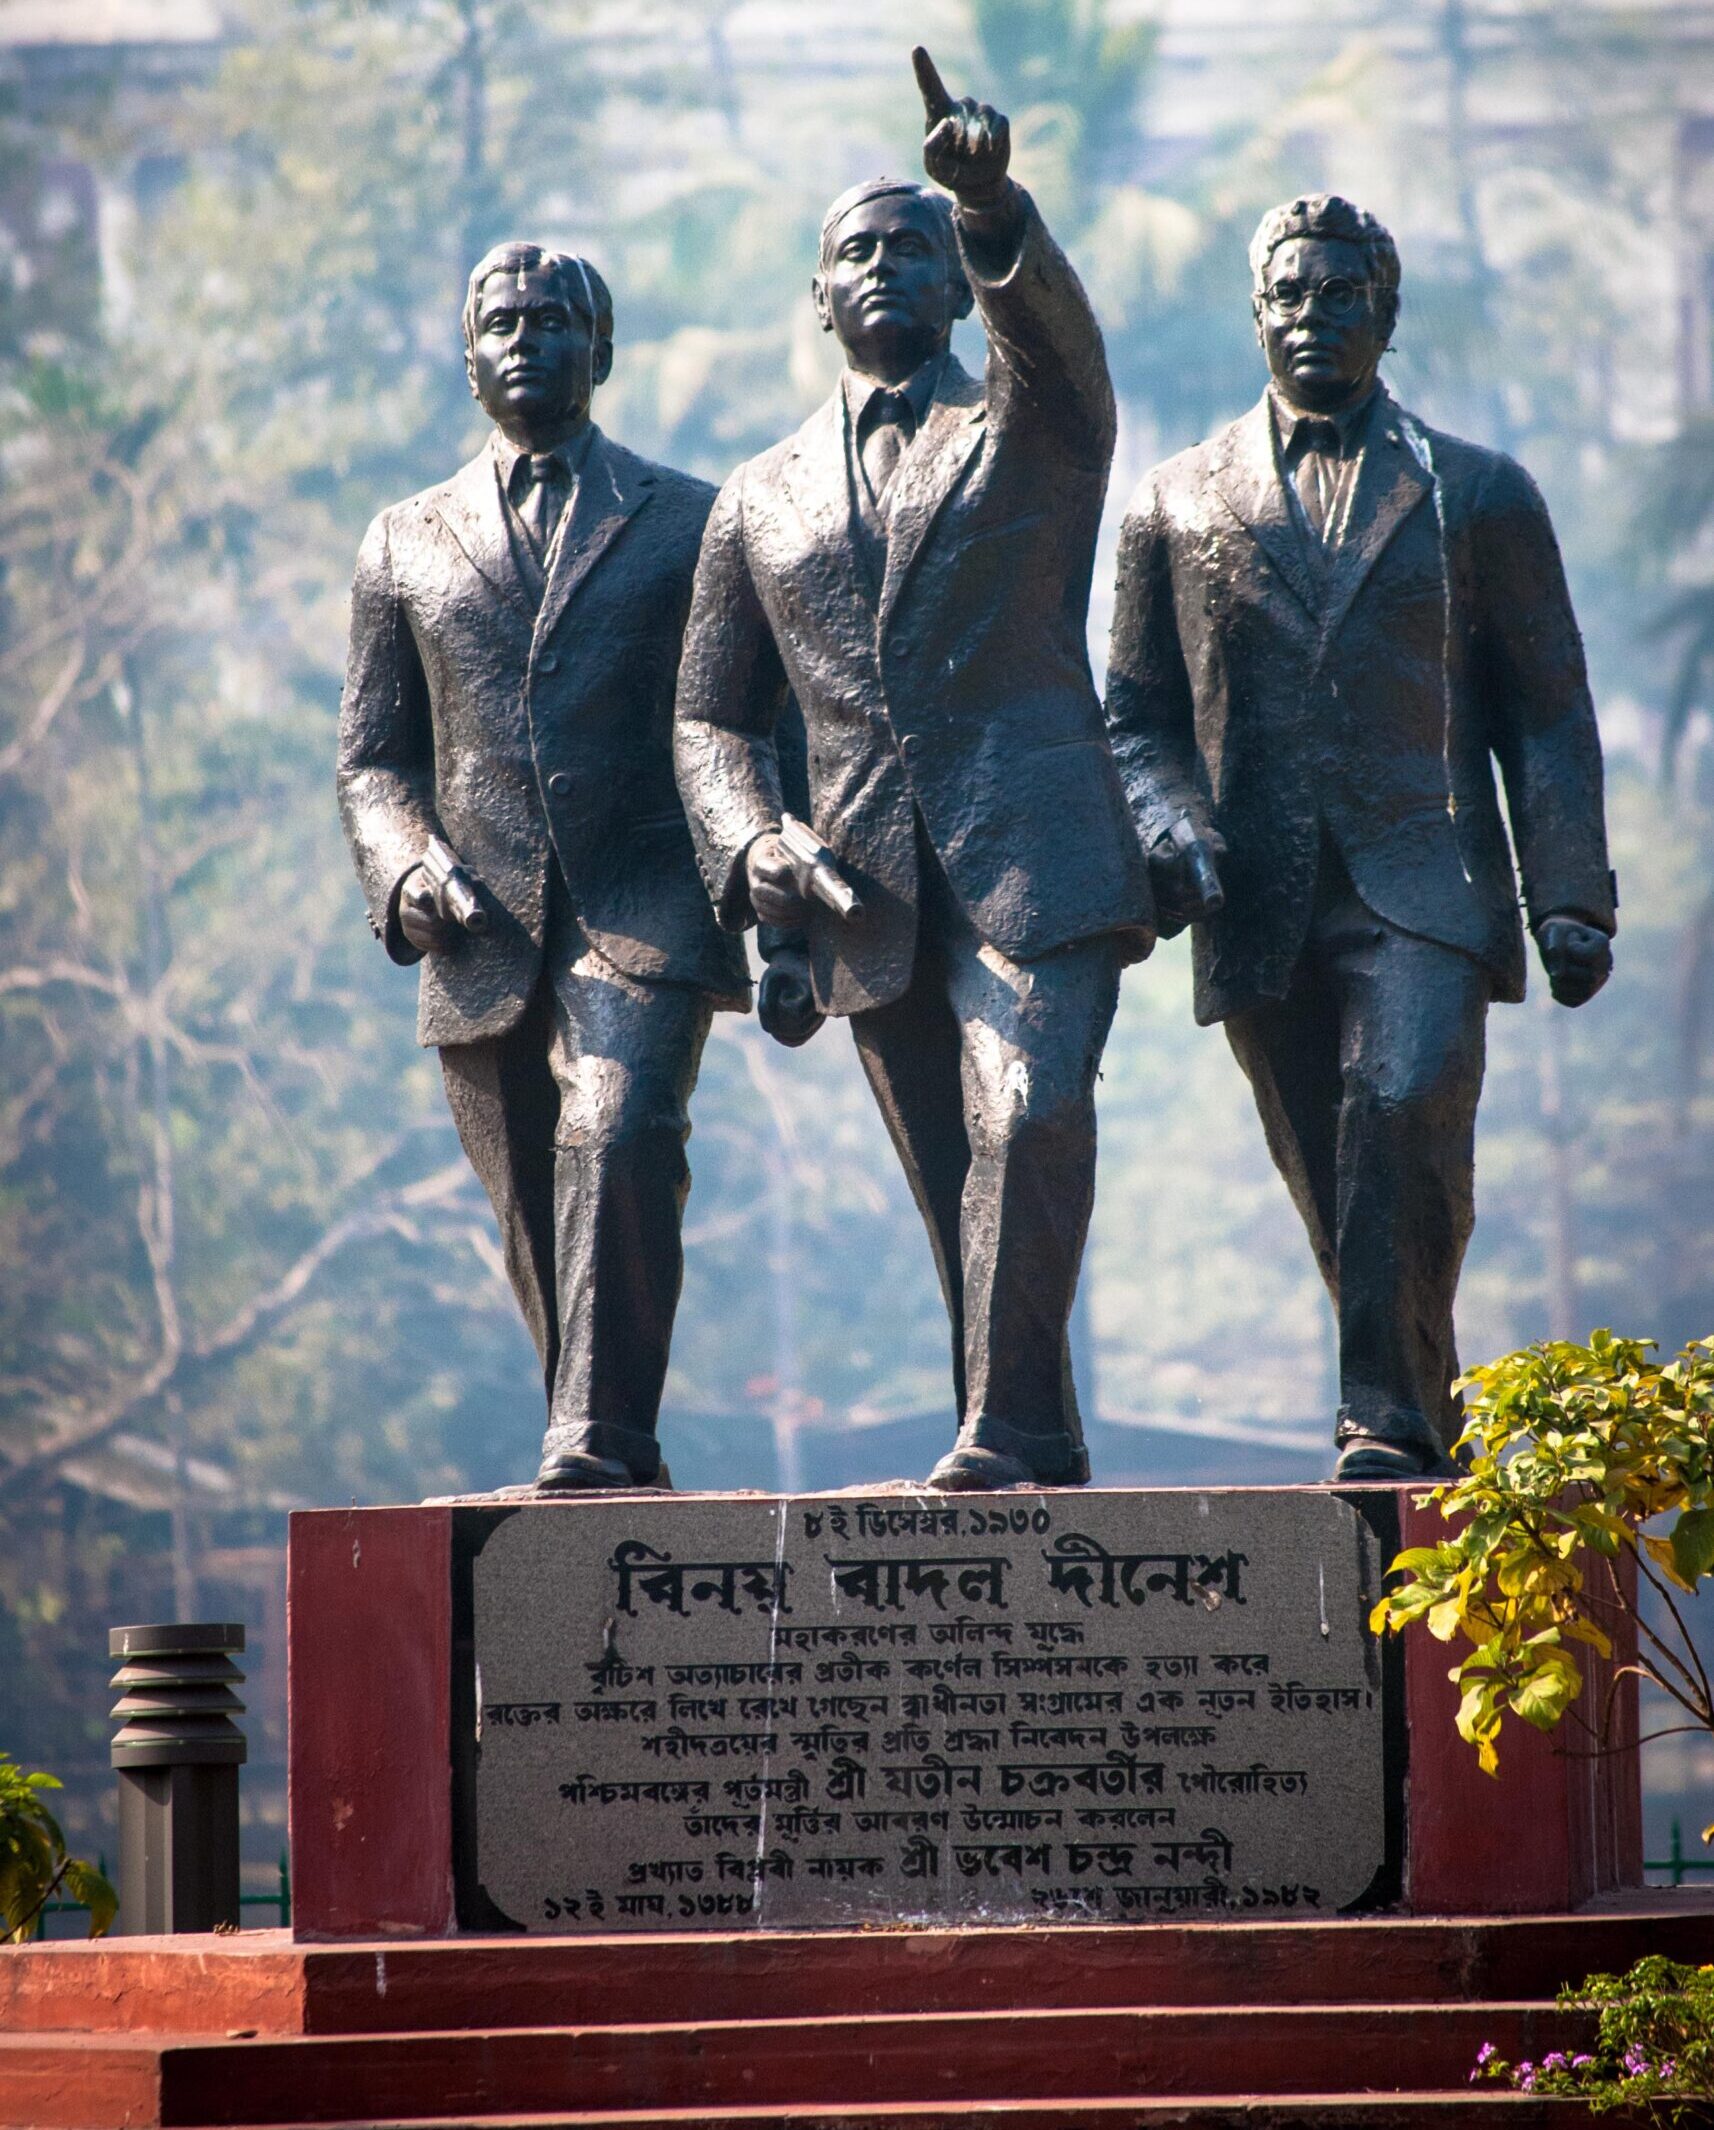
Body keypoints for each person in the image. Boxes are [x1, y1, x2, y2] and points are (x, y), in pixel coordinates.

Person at [674, 51, 1153, 1492]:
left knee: (1031, 1112)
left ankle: (1000, 1431)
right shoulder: (755, 499)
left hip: (1039, 848)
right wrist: (754, 846)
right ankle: (1033, 1432)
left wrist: (993, 205)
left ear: (956, 284)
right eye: (854, 250)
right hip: (864, 888)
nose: (885, 264)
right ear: (817, 297)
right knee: (959, 1194)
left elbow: (1066, 364)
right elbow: (709, 718)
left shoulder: (1026, 434)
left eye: (913, 244)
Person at [1104, 193, 1615, 1480]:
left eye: (1341, 294)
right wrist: (1173, 827)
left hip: (1425, 880)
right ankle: (1420, 1421)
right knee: (1340, 1179)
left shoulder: (1478, 494)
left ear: (1384, 311)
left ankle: (1379, 1422)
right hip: (1257, 896)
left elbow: (1546, 710)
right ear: (1255, 313)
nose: (1313, 316)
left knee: (1399, 1107)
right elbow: (1135, 720)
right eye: (1289, 294)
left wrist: (1571, 895)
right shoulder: (1170, 504)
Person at [337, 242, 747, 1491]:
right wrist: (406, 870)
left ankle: (596, 1438)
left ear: (601, 350)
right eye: (502, 323)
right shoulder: (402, 541)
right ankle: (605, 1444)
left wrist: (762, 905)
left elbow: (742, 718)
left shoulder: (687, 521)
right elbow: (371, 757)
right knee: (532, 1211)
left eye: (554, 321)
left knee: (618, 1133)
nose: (527, 340)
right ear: (468, 361)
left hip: (642, 904)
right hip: (478, 935)